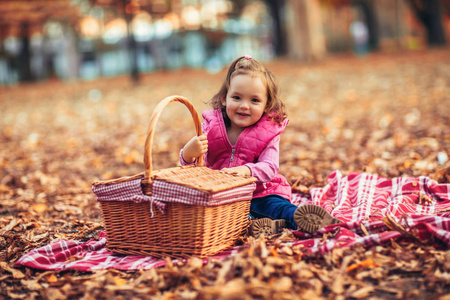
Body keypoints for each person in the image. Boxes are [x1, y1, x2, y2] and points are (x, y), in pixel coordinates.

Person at [180, 55, 341, 238]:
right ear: (224, 99)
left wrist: (247, 171)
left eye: (254, 100)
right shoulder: (210, 128)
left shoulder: (268, 133)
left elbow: (270, 167)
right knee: (221, 217)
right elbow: (192, 171)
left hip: (261, 192)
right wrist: (188, 154)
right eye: (237, 97)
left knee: (275, 207)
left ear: (266, 105)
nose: (244, 106)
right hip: (223, 198)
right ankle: (263, 227)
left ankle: (301, 219)